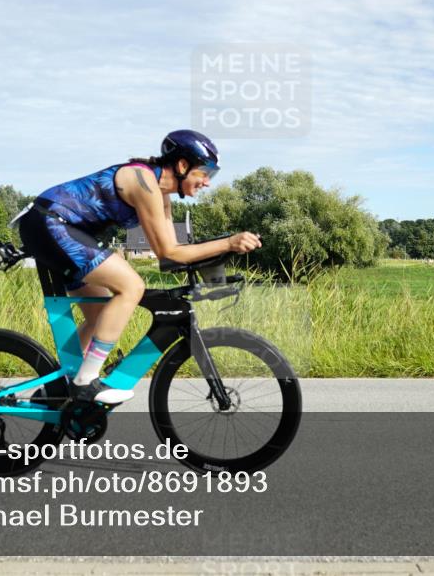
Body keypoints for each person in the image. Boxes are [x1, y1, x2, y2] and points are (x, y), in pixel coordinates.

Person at [16, 130, 262, 404]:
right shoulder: (143, 181)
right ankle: (85, 382)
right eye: (205, 173)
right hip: (49, 223)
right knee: (131, 286)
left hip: (62, 230)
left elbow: (171, 257)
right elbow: (169, 251)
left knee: (99, 315)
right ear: (182, 166)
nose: (207, 182)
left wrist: (214, 270)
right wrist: (228, 243)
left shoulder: (161, 196)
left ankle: (61, 387)